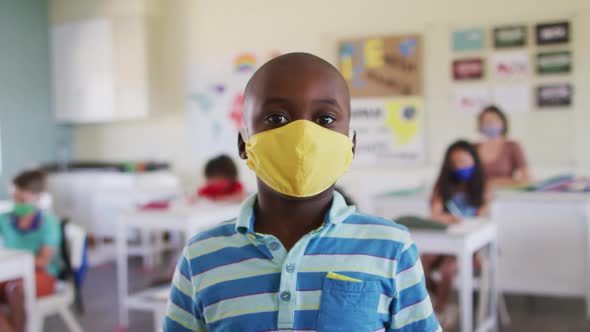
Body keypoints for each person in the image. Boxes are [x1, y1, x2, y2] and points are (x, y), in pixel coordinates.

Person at [164, 53, 440, 331]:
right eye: (277, 117)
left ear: (351, 144)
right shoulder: (201, 255)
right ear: (243, 143)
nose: (303, 135)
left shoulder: (390, 247)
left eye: (325, 119)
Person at [422, 140, 489, 328]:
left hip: (471, 245)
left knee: (447, 269)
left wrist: (456, 220)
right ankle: (444, 304)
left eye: (465, 160)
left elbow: (480, 218)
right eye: (456, 162)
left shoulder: (483, 186)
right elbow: (435, 213)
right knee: (419, 263)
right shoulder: (442, 186)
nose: (461, 166)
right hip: (445, 240)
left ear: (474, 160)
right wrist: (447, 218)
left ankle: (439, 310)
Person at [0, 170, 61, 332]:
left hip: (41, 274)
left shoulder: (48, 223)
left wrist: (16, 260)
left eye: (22, 199)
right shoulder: (4, 219)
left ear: (37, 197)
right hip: (9, 274)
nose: (17, 203)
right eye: (14, 198)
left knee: (15, 288)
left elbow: (43, 262)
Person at [476, 105, 531, 188]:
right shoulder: (473, 148)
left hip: (505, 196)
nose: (490, 123)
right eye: (486, 121)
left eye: (494, 120)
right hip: (477, 196)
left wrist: (494, 182)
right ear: (481, 125)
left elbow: (527, 179)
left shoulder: (512, 147)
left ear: (503, 123)